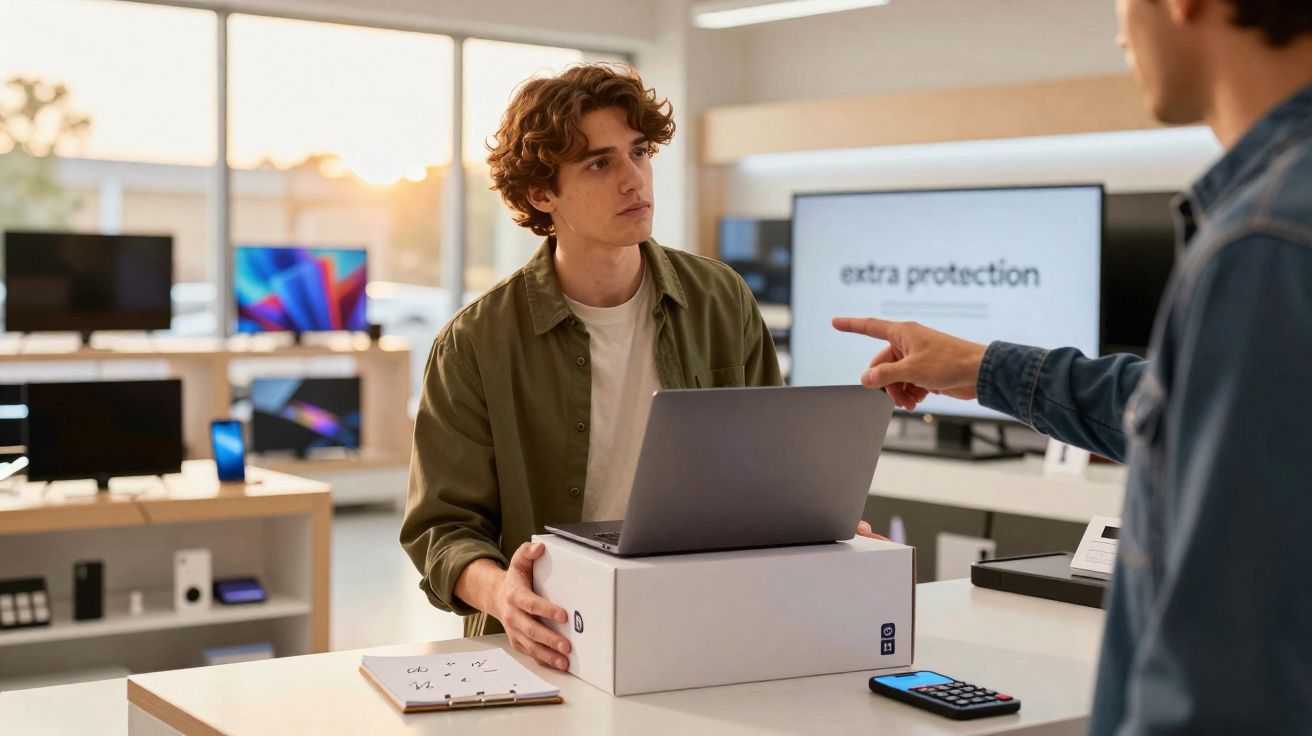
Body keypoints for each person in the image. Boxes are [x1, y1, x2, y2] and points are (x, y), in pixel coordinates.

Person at [834, 0, 1312, 731]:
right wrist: (981, 367)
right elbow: (1175, 411)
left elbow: (1226, 659)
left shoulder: (1263, 243)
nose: (1119, 32)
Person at [400, 64, 785, 671]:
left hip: (702, 618)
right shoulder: (474, 342)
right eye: (600, 164)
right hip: (548, 639)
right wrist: (501, 593)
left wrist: (824, 529)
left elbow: (769, 468)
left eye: (639, 152)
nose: (635, 179)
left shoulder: (722, 298)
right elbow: (442, 529)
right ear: (541, 195)